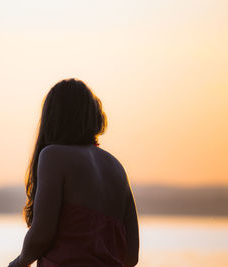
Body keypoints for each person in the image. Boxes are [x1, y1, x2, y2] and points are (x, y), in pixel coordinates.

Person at [8, 78, 139, 267]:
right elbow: (131, 255)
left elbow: (42, 235)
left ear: (53, 118)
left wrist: (19, 263)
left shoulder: (54, 156)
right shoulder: (116, 167)